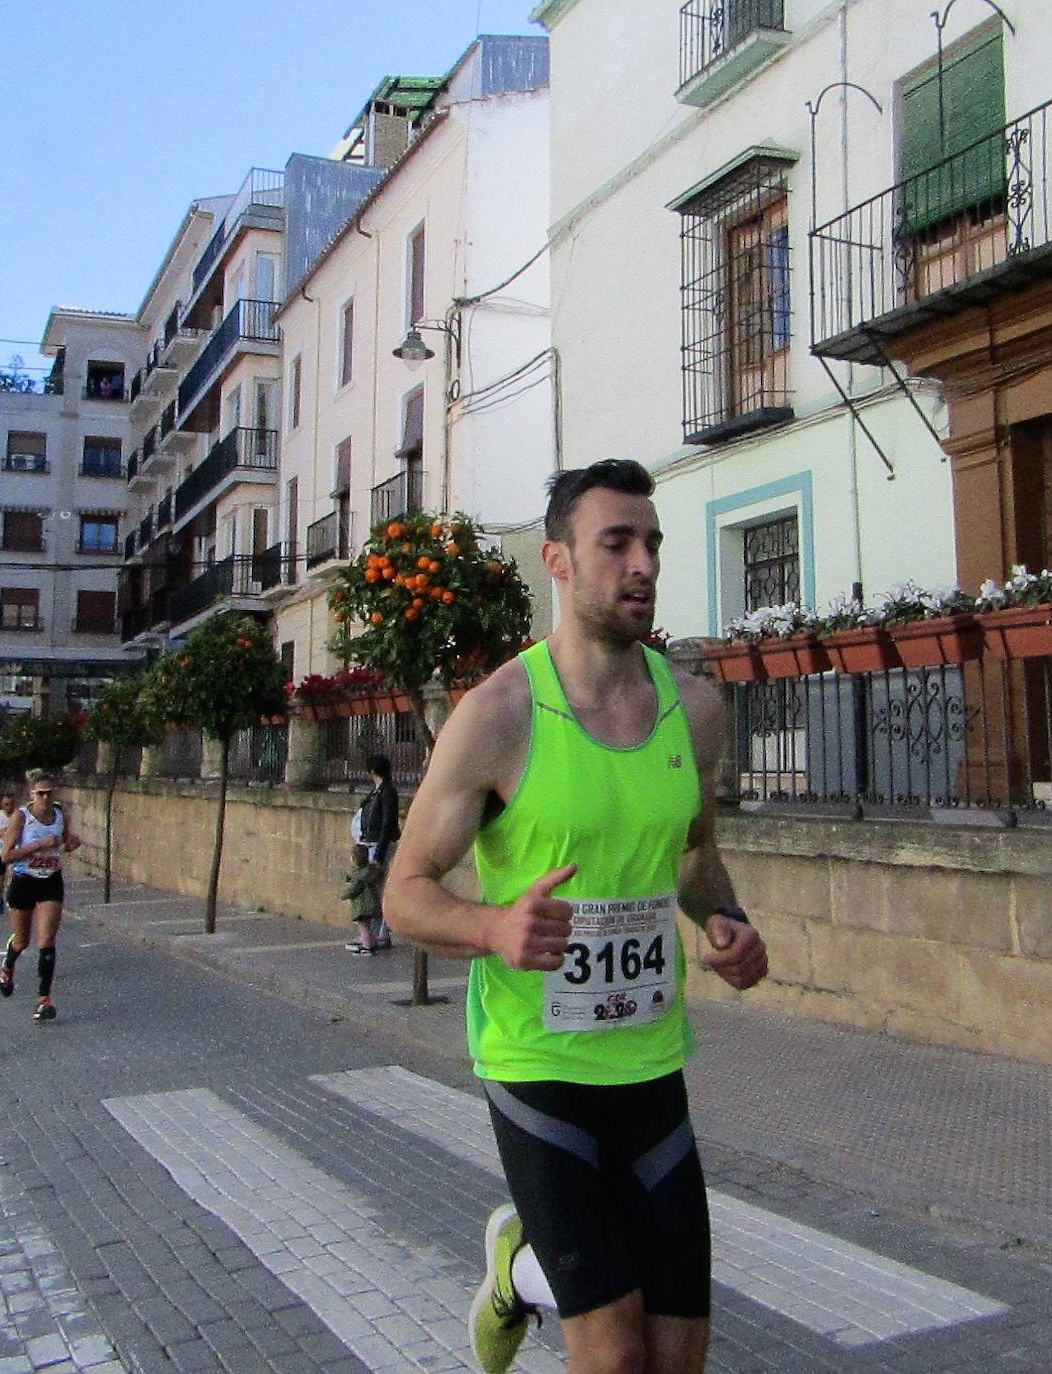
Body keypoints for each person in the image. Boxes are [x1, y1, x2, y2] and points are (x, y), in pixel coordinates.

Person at [384, 460, 769, 1374]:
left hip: (648, 1061)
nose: (642, 564)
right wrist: (490, 929)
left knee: (679, 1356)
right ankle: (519, 1270)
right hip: (538, 1063)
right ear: (557, 561)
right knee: (612, 1355)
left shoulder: (697, 710)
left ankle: (521, 1264)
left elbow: (690, 852)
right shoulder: (498, 716)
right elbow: (405, 889)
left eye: (652, 544)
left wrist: (726, 920)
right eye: (616, 543)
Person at [0, 769, 81, 1021]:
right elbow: (7, 856)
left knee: (47, 941)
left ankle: (44, 1000)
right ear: (32, 795)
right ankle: (8, 965)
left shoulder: (59, 815)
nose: (45, 798)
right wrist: (37, 846)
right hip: (24, 880)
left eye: (49, 793)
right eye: (40, 794)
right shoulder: (21, 818)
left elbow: (67, 840)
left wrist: (71, 843)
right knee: (22, 940)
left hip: (50, 881)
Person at [354, 752, 400, 952]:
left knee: (380, 890)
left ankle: (381, 933)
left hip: (380, 846)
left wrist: (379, 855)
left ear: (372, 771)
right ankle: (373, 933)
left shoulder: (387, 792)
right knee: (373, 890)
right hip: (371, 844)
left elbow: (387, 825)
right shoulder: (378, 791)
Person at [340, 844, 383, 956]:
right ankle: (372, 943)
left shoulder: (357, 874)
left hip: (362, 905)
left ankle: (367, 947)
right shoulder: (371, 870)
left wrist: (344, 895)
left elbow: (353, 888)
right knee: (369, 926)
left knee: (363, 927)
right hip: (372, 903)